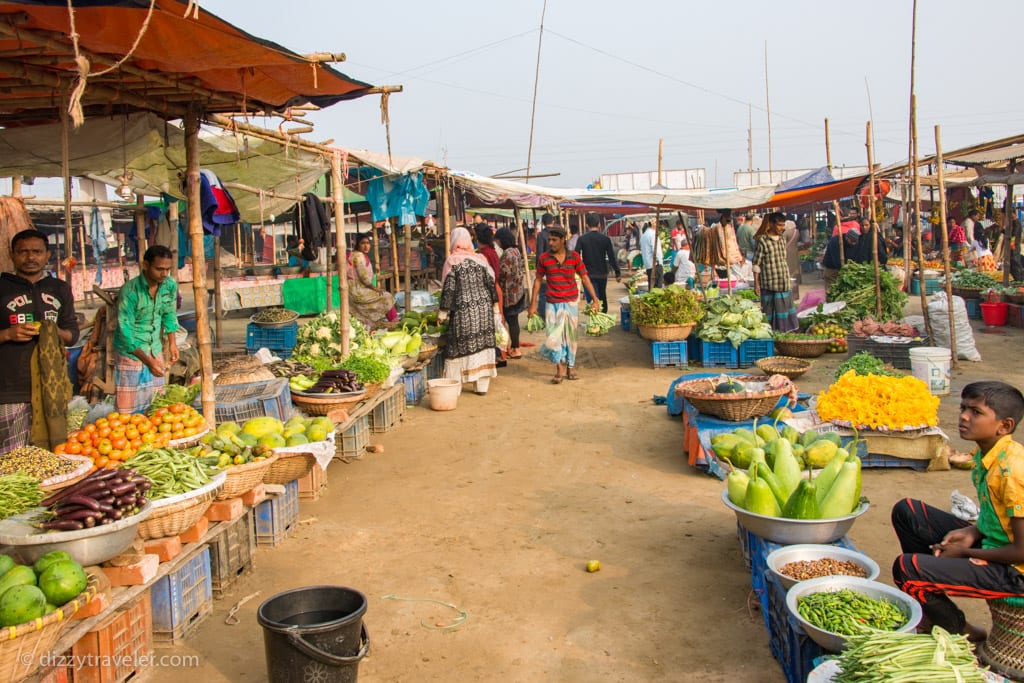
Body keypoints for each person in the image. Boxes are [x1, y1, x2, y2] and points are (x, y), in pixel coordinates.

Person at [892, 381, 1024, 641]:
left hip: (1015, 572)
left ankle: (959, 629)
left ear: (1004, 426)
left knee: (907, 569)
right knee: (907, 512)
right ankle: (932, 605)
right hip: (993, 543)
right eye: (963, 408)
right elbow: (999, 518)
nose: (963, 416)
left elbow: (1021, 550)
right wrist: (973, 531)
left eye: (976, 412)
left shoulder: (1013, 471)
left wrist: (964, 551)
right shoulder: (986, 455)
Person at [0, 229, 79, 451]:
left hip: (52, 387)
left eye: (36, 252)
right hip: (11, 388)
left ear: (47, 255)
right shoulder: (2, 288)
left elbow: (72, 334)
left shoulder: (59, 289)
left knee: (51, 454)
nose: (30, 257)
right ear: (12, 254)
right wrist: (8, 334)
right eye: (23, 252)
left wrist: (53, 331)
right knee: (11, 455)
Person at [527, 225, 598, 384]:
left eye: (554, 240)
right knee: (553, 338)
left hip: (571, 302)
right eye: (549, 240)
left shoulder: (574, 257)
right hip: (552, 303)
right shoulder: (544, 258)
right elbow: (537, 281)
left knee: (570, 337)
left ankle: (570, 367)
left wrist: (595, 299)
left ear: (562, 240)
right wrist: (532, 305)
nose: (550, 243)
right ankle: (559, 367)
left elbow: (585, 278)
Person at [114, 245, 180, 415]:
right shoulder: (129, 292)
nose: (164, 274)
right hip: (131, 351)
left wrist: (173, 344)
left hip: (155, 348)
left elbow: (169, 314)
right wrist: (148, 361)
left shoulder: (169, 284)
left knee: (157, 404)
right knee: (127, 408)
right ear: (145, 265)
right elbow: (126, 335)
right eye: (159, 269)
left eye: (168, 269)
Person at [438, 228, 499, 395]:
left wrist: (442, 314)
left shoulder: (453, 261)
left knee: (457, 348)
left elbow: (447, 289)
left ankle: (455, 386)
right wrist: (495, 311)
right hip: (484, 310)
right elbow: (491, 284)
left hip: (463, 311)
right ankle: (481, 387)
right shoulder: (480, 259)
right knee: (483, 345)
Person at [752, 212, 799, 332]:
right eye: (779, 225)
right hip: (769, 283)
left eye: (783, 225)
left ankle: (784, 334)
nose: (781, 228)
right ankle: (771, 335)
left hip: (783, 281)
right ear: (771, 224)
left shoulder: (783, 239)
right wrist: (756, 284)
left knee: (785, 310)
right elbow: (756, 264)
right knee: (769, 312)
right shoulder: (762, 240)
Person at [347, 233, 398, 327]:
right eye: (363, 243)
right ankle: (395, 321)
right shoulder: (358, 256)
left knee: (384, 295)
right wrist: (375, 289)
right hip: (358, 291)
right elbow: (364, 278)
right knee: (386, 296)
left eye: (368, 243)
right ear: (358, 244)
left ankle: (373, 322)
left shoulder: (359, 255)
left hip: (357, 289)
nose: (366, 246)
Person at [576, 212, 621, 312]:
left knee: (592, 298)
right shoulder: (605, 239)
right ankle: (603, 318)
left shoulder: (582, 239)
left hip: (587, 274)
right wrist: (617, 272)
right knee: (602, 296)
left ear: (586, 225)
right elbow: (611, 257)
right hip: (602, 273)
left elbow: (575, 255)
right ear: (599, 225)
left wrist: (577, 271)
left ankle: (594, 320)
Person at [496, 228, 526, 359]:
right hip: (517, 291)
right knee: (514, 321)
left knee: (511, 321)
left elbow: (504, 272)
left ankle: (515, 348)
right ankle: (515, 347)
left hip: (510, 293)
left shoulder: (508, 253)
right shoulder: (516, 250)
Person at [533, 213, 556, 318]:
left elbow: (539, 254)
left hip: (545, 268)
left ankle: (543, 316)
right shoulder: (558, 234)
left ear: (542, 223)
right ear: (553, 222)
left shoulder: (541, 235)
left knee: (543, 294)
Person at [640, 222, 663, 290]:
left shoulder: (644, 235)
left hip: (648, 265)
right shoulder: (653, 235)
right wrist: (658, 261)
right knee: (657, 288)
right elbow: (655, 250)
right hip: (655, 264)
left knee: (652, 286)